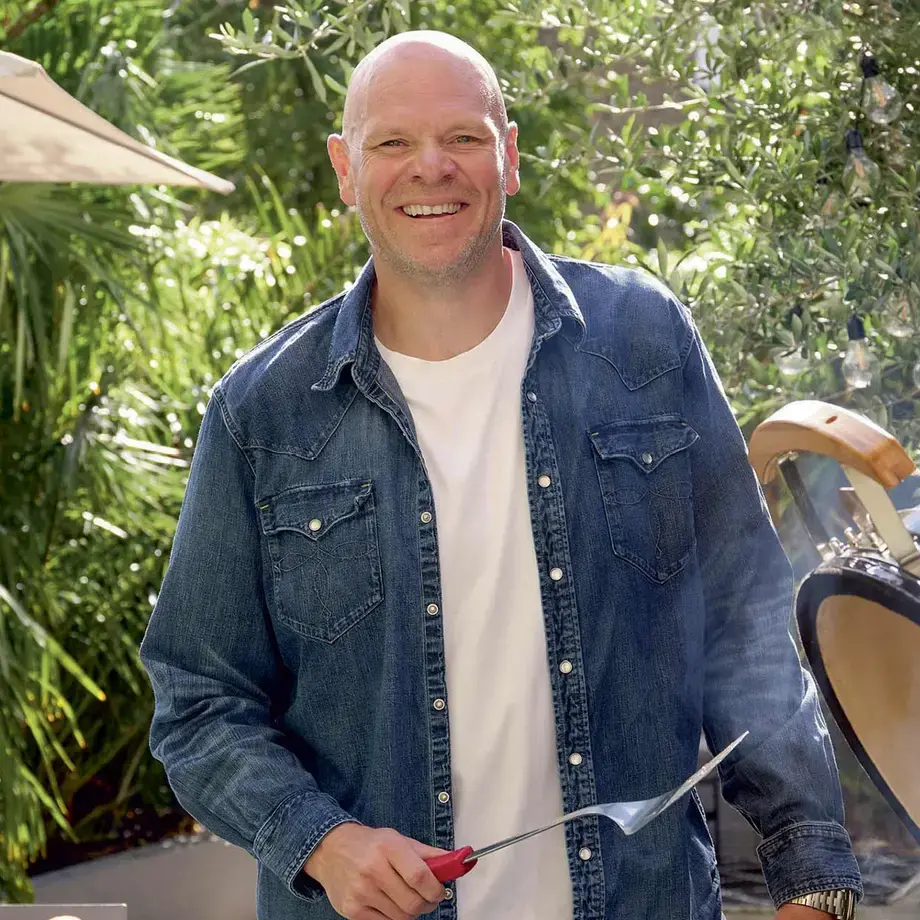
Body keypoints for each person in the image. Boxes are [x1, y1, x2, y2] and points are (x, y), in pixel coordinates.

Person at [139, 30, 863, 920]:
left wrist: (812, 875)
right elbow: (199, 700)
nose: (430, 168)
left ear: (509, 154)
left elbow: (745, 621)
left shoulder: (642, 340)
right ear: (345, 167)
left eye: (465, 138)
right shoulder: (265, 413)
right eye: (393, 143)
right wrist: (321, 841)